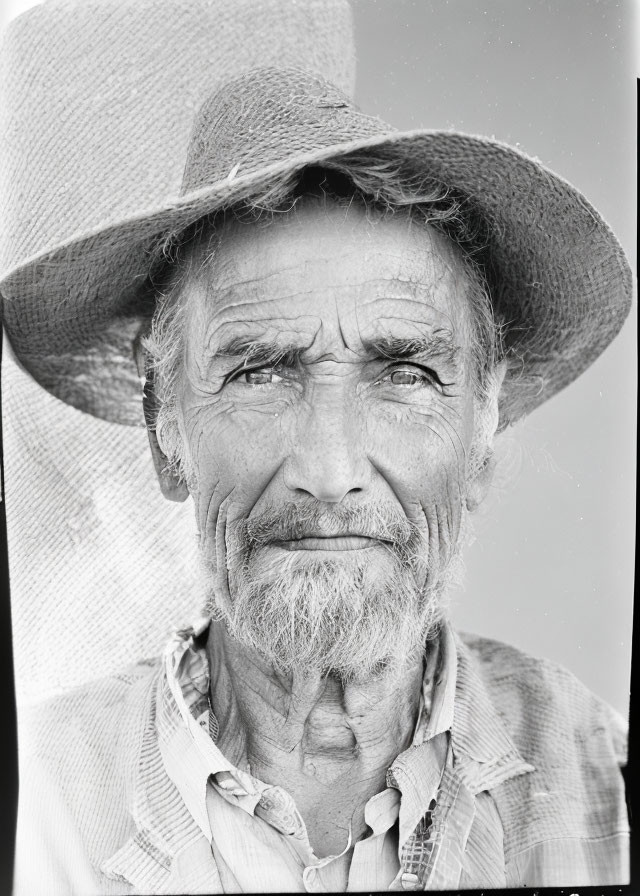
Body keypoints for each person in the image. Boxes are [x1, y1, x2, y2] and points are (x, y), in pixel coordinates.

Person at [3, 7, 631, 896]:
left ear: (482, 433)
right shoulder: (50, 794)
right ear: (164, 432)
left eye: (405, 373)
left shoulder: (601, 775)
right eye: (261, 373)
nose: (330, 471)